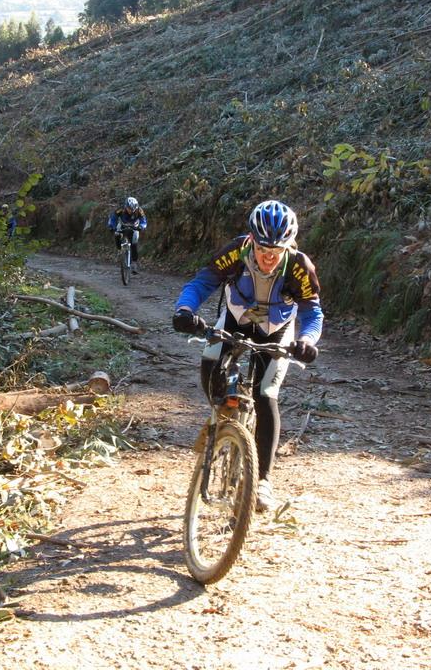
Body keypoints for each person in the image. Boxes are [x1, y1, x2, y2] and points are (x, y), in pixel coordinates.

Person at [171, 200, 323, 512]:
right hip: (234, 321)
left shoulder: (298, 265)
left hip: (276, 331)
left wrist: (307, 340)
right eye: (263, 248)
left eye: (277, 250)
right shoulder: (236, 251)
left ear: (288, 246)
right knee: (210, 365)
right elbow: (203, 282)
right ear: (252, 239)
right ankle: (222, 421)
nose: (269, 257)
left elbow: (312, 311)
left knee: (266, 395)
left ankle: (263, 480)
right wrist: (185, 309)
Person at [107, 196, 147, 273]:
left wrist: (141, 227)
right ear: (126, 206)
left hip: (134, 226)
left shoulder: (139, 210)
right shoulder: (121, 209)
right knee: (117, 234)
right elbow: (113, 218)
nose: (131, 210)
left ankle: (134, 263)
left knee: (134, 243)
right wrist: (112, 227)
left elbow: (144, 220)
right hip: (123, 224)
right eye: (129, 208)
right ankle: (119, 250)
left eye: (133, 209)